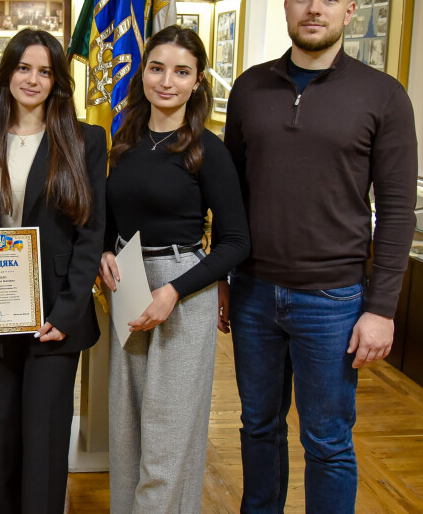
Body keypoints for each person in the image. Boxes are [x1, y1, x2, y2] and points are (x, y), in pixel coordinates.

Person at [222, 0, 417, 513]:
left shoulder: (383, 96)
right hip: (255, 293)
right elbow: (231, 195)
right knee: (258, 426)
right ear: (287, 6)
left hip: (334, 301)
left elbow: (399, 212)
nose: (315, 8)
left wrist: (380, 308)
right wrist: (223, 277)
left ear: (349, 11)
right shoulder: (250, 88)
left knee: (327, 442)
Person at [0, 29, 106, 514]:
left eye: (45, 71)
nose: (32, 79)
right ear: (7, 72)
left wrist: (70, 311)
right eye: (23, 67)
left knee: (45, 442)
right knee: (6, 436)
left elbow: (90, 233)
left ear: (57, 81)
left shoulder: (84, 139)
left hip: (56, 316)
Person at [98, 25, 250, 513]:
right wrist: (104, 250)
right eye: (157, 67)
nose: (167, 81)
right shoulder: (124, 141)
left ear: (198, 81)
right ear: (142, 71)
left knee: (167, 440)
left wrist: (173, 292)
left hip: (181, 291)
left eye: (181, 72)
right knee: (126, 434)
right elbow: (115, 213)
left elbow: (235, 243)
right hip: (127, 282)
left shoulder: (209, 149)